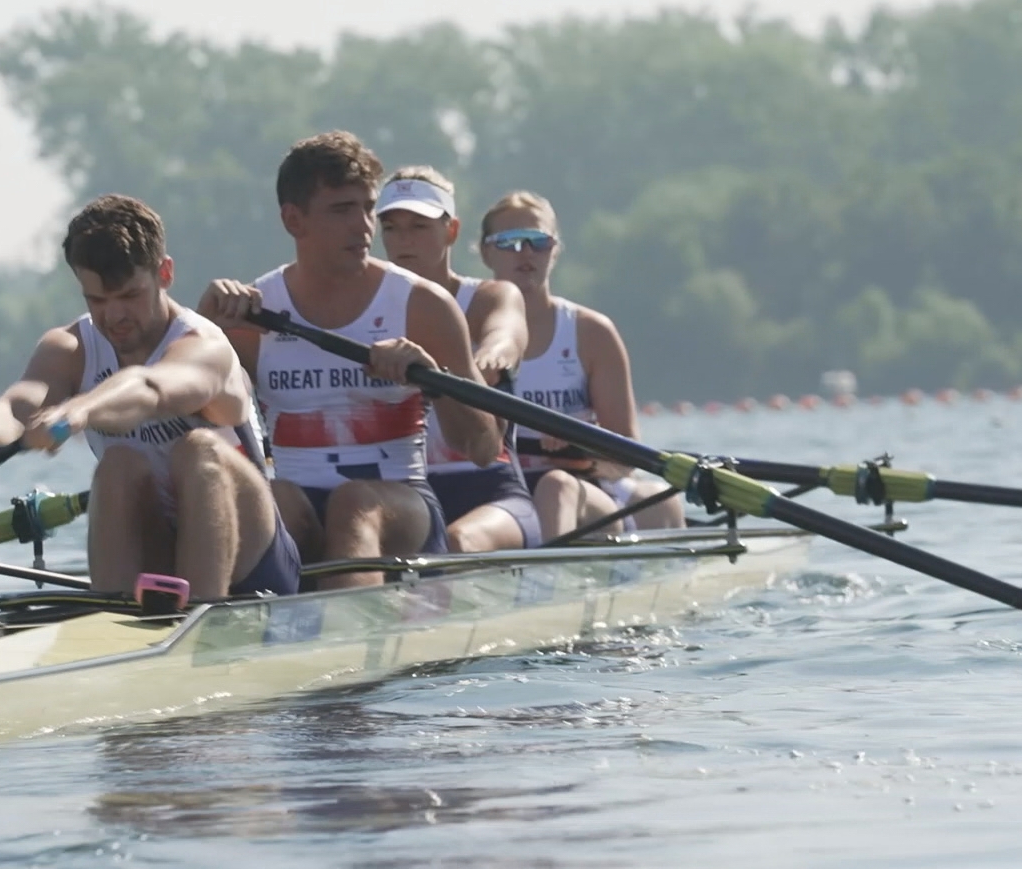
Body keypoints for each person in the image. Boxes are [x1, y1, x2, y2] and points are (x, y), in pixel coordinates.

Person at [0, 194, 299, 601]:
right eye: (97, 300)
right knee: (118, 465)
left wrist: (78, 411)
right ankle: (114, 627)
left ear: (164, 273)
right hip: (158, 542)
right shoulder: (70, 348)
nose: (114, 316)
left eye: (129, 295)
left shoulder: (204, 345)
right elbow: (14, 407)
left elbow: (150, 388)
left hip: (255, 560)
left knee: (198, 450)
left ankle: (200, 619)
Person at [199, 132, 502, 589]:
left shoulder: (423, 306)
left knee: (353, 501)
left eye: (367, 208)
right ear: (293, 220)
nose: (363, 227)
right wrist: (204, 326)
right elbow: (178, 424)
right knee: (263, 496)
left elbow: (481, 448)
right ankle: (210, 624)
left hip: (403, 506)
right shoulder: (250, 313)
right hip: (296, 502)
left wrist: (433, 378)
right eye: (342, 210)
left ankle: (346, 642)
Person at [479, 190, 686, 538]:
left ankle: (544, 582)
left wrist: (581, 453)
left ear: (555, 250)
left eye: (538, 241)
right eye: (510, 242)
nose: (526, 252)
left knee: (570, 487)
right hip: (503, 487)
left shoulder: (591, 333)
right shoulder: (466, 329)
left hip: (584, 487)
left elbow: (626, 453)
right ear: (486, 252)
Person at [376, 166, 541, 553]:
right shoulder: (365, 308)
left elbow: (506, 337)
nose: (403, 241)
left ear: (451, 231)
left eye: (418, 226)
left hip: (490, 491)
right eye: (392, 228)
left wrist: (485, 359)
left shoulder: (490, 297)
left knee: (456, 542)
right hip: (405, 492)